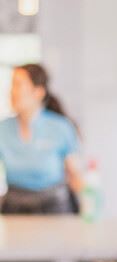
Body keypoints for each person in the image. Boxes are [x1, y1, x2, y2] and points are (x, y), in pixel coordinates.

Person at [0, 63, 82, 214]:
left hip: (54, 207)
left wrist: (88, 212)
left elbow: (76, 176)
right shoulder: (3, 129)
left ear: (38, 92)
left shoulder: (61, 127)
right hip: (13, 207)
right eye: (11, 85)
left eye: (18, 85)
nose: (11, 92)